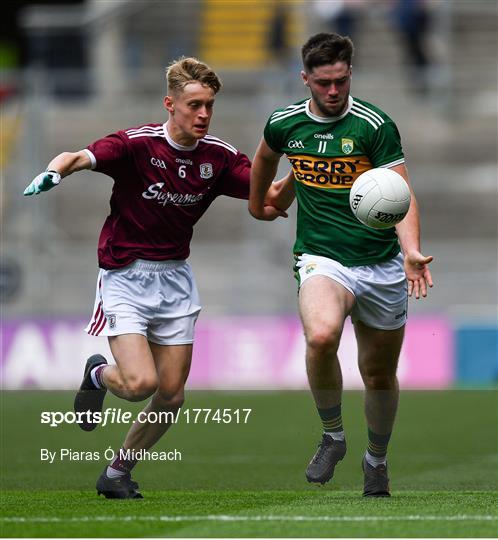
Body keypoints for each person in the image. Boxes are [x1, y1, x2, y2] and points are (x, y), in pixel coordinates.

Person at [24, 56, 290, 499]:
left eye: (209, 105)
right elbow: (78, 156)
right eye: (195, 105)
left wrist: (302, 171)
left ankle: (116, 474)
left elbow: (266, 197)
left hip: (176, 279)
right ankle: (97, 378)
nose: (204, 114)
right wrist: (54, 172)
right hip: (125, 275)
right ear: (170, 104)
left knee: (171, 396)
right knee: (139, 385)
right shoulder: (135, 145)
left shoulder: (219, 158)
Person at [249, 33, 433, 497]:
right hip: (321, 256)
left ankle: (377, 460)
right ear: (305, 78)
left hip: (381, 264)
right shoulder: (285, 122)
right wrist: (257, 204)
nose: (333, 92)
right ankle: (332, 435)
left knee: (377, 373)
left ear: (350, 73)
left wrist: (410, 250)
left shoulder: (374, 125)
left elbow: (401, 195)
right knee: (323, 334)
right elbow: (265, 158)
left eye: (341, 81)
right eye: (324, 83)